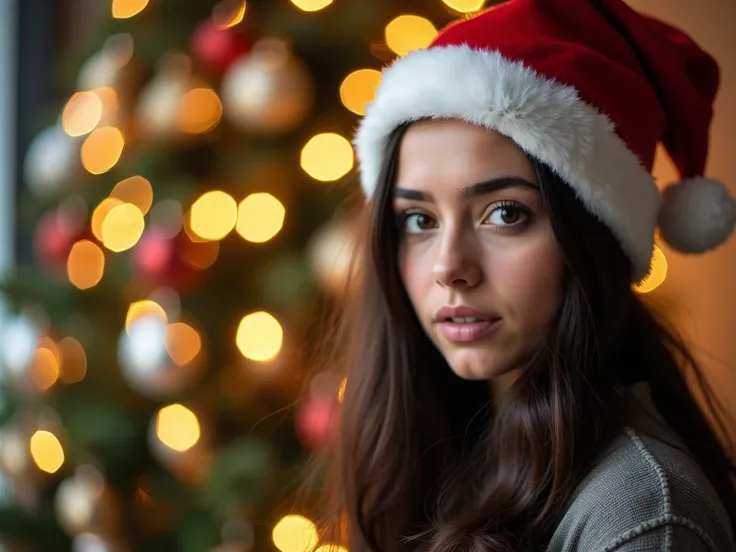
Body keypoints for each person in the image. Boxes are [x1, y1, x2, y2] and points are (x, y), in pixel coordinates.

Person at [313, 0, 736, 550]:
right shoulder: (448, 448)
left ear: (592, 237)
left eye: (506, 213)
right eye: (419, 219)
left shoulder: (643, 520)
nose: (448, 268)